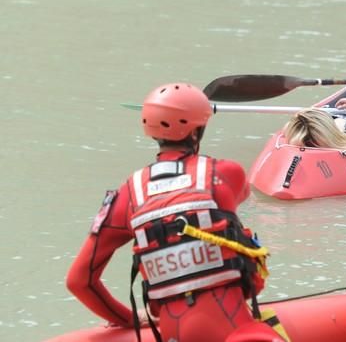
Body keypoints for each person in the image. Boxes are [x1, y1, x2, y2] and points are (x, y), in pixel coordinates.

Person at [66, 83, 284, 342]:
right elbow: (242, 196)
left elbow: (79, 281)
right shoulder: (225, 173)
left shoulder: (127, 194)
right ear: (197, 131)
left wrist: (128, 319)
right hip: (234, 331)